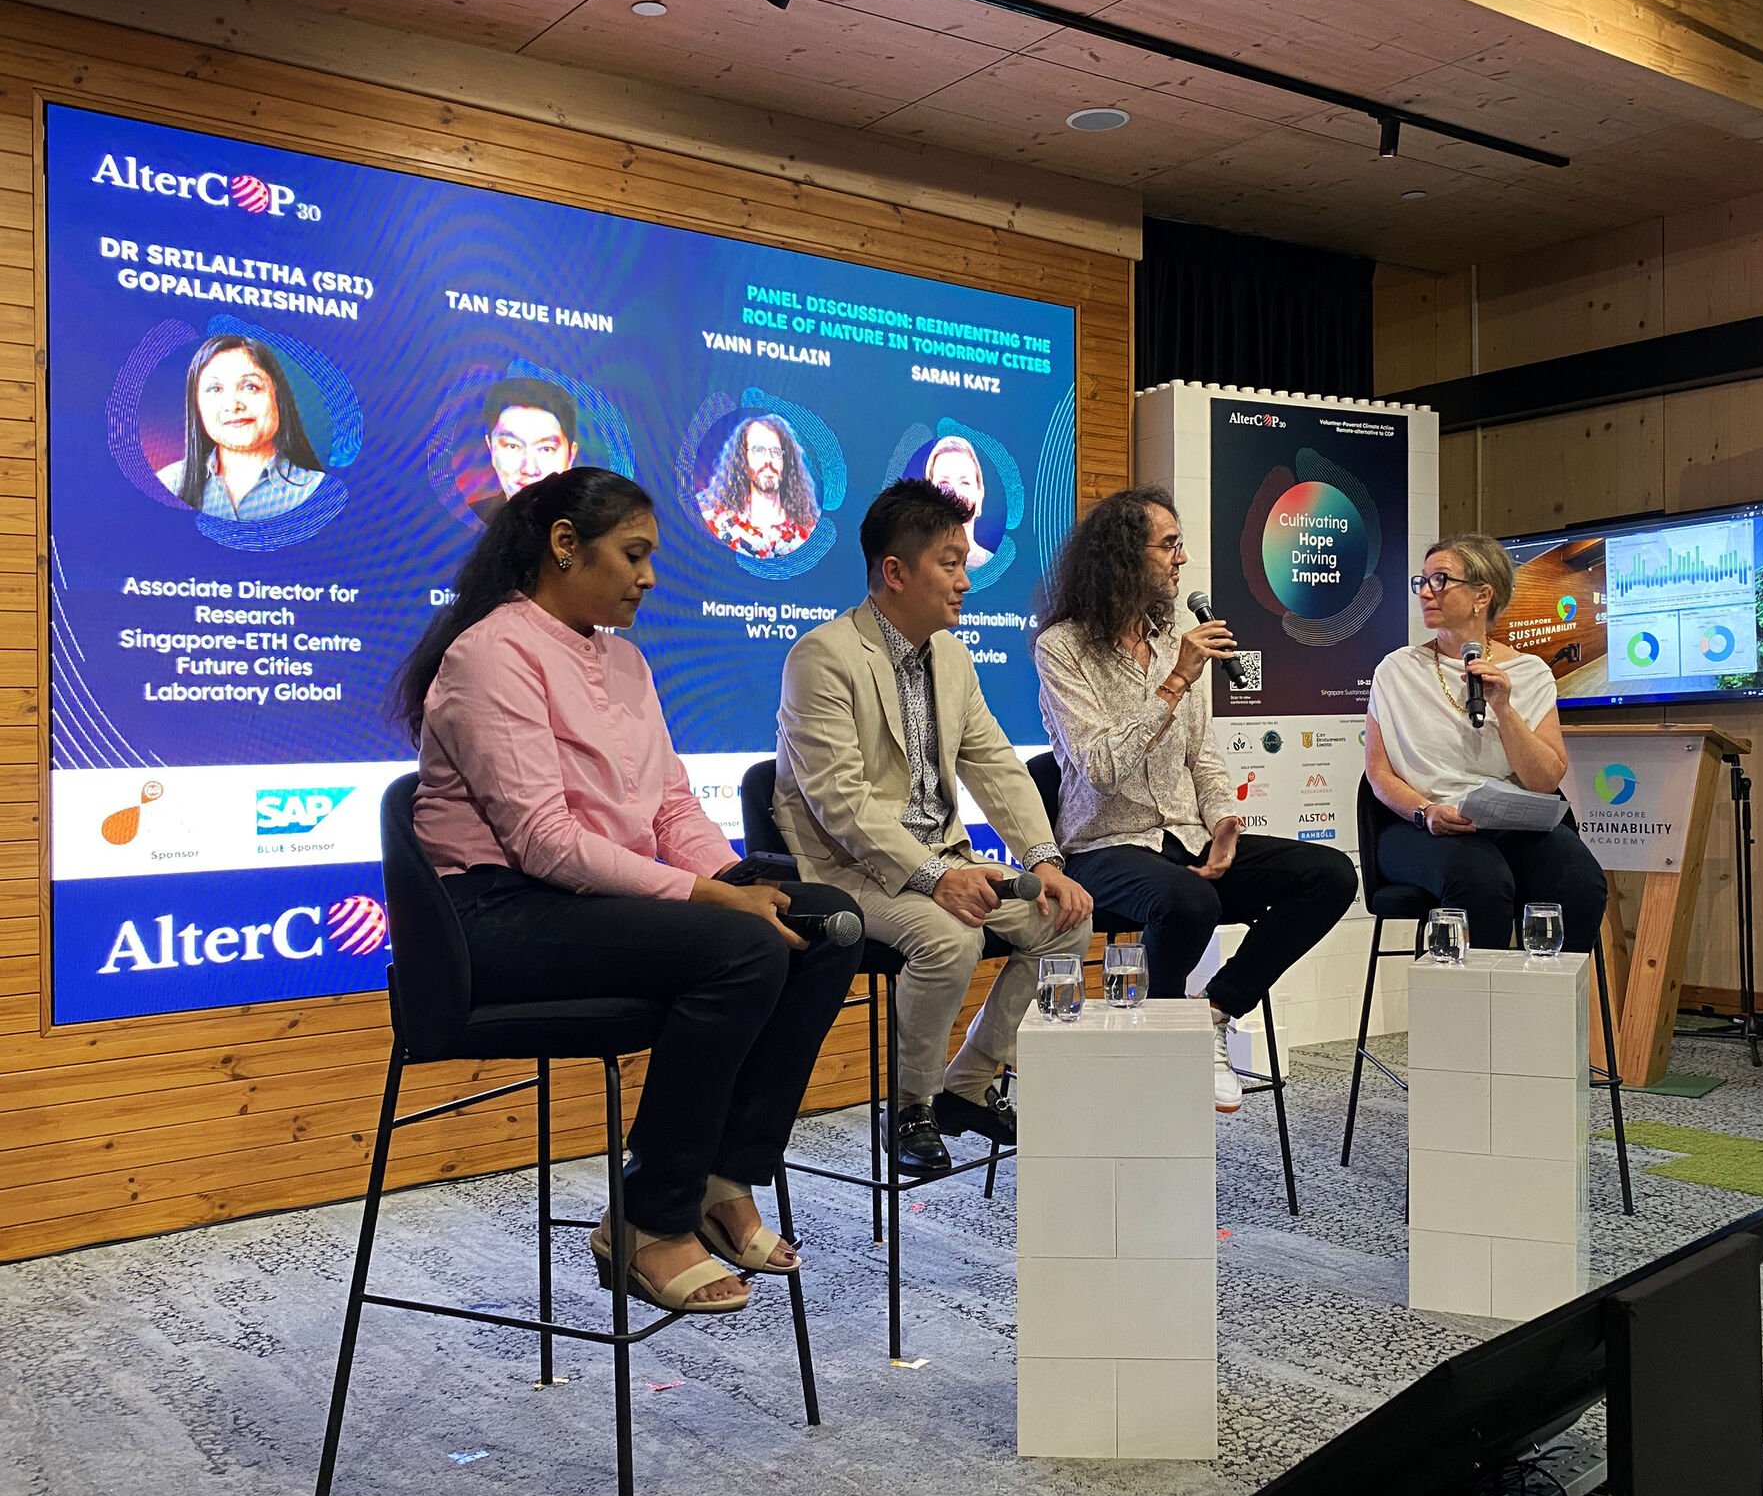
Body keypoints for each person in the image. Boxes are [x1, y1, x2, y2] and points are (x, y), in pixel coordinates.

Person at [397, 467, 861, 1314]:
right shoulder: (491, 653)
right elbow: (544, 843)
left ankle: (727, 1174)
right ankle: (649, 1217)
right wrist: (710, 902)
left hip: (595, 903)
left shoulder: (627, 660)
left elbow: (670, 803)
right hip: (494, 918)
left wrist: (729, 877)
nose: (649, 577)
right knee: (743, 945)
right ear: (564, 546)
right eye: (634, 554)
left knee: (828, 923)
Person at [774, 478, 1093, 1173]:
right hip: (853, 873)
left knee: (1065, 919)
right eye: (950, 562)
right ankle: (911, 1107)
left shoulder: (951, 655)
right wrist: (937, 878)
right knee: (951, 939)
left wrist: (1042, 860)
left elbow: (996, 764)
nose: (966, 579)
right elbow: (842, 805)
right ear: (895, 572)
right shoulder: (822, 657)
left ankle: (967, 1086)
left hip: (944, 857)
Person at [1035, 487, 1358, 1113]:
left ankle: (1208, 1017)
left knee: (1328, 873)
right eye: (1169, 544)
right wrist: (1176, 682)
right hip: (1103, 847)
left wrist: (1225, 822)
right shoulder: (1063, 647)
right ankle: (1158, 1038)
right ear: (1125, 556)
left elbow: (1203, 757)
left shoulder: (1170, 638)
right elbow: (1099, 768)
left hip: (1187, 837)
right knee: (1189, 898)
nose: (1182, 559)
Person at [1362, 532, 1607, 953]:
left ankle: (1548, 1010)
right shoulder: (1396, 670)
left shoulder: (1529, 673)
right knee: (1480, 879)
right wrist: (1425, 812)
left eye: (1440, 580)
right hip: (1421, 827)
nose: (1425, 592)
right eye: (1421, 581)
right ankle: (1477, 1014)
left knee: (1578, 880)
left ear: (1482, 595)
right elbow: (1378, 772)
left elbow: (1545, 780)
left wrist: (1505, 710)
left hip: (1509, 825)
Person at [156, 334, 326, 522]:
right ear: (196, 404)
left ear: (277, 396)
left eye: (250, 386)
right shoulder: (167, 485)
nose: (233, 405)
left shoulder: (319, 492)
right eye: (215, 389)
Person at [701, 414, 818, 558]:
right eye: (758, 450)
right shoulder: (716, 525)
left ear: (786, 461)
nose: (768, 460)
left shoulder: (810, 531)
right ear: (743, 460)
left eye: (775, 452)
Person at [472, 376, 579, 522]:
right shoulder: (465, 522)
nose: (529, 469)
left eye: (546, 449)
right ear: (491, 448)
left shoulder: (599, 527)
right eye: (512, 446)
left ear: (571, 456)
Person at [923, 435, 993, 568]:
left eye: (964, 482)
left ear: (980, 496)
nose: (954, 492)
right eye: (944, 483)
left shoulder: (994, 567)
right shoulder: (913, 568)